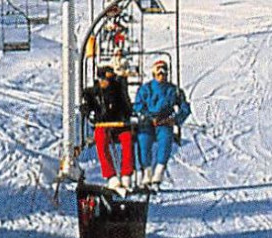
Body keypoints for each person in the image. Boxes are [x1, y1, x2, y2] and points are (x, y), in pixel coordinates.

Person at [134, 58, 192, 189]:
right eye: (159, 73)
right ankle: (147, 172)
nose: (162, 76)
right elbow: (138, 106)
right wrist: (147, 116)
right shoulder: (146, 89)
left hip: (164, 121)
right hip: (148, 121)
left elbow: (185, 108)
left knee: (166, 140)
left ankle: (158, 173)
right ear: (154, 74)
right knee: (144, 141)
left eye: (164, 73)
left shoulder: (173, 90)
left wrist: (175, 119)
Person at [82, 66, 135, 193]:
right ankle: (110, 176)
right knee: (100, 138)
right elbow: (87, 107)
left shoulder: (118, 91)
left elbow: (127, 108)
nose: (107, 83)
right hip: (103, 125)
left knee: (127, 138)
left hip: (119, 125)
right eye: (105, 80)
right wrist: (89, 113)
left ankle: (126, 174)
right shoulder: (92, 94)